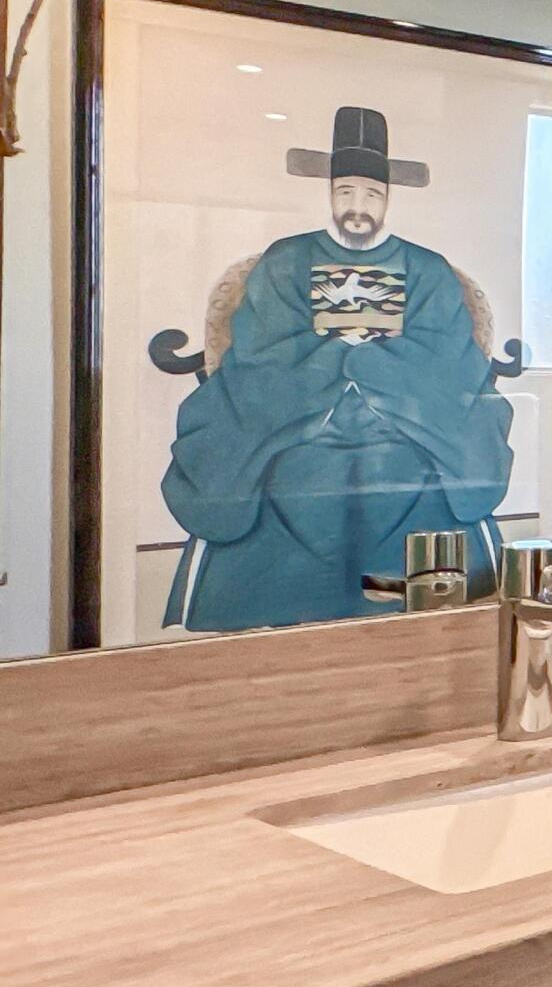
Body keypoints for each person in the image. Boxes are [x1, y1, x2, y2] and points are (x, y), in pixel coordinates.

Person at [160, 106, 514, 630]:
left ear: (388, 199)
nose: (357, 207)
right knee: (295, 478)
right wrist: (344, 357)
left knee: (406, 477)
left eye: (370, 195)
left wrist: (362, 359)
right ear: (329, 194)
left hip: (408, 434)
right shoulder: (286, 260)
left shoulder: (426, 269)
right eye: (346, 192)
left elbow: (447, 360)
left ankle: (407, 607)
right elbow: (262, 350)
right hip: (295, 427)